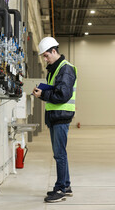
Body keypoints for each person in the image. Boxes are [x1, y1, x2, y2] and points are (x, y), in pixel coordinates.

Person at [33, 37, 77, 203]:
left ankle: (60, 189)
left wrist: (43, 94)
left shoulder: (65, 69)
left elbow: (62, 95)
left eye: (46, 55)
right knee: (61, 154)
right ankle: (66, 185)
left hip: (61, 117)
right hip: (56, 117)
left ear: (54, 51)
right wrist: (42, 93)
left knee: (59, 155)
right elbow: (56, 91)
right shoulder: (56, 68)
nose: (45, 59)